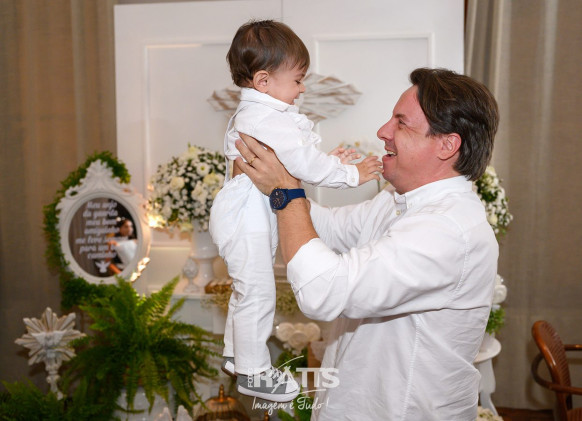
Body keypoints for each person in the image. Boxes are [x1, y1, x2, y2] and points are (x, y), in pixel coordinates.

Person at [234, 67, 500, 420]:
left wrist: (285, 190)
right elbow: (327, 227)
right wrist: (271, 180)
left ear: (447, 145)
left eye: (401, 123)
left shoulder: (448, 229)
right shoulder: (396, 198)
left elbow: (323, 291)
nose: (383, 131)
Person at [208, 20, 380, 403]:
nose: (302, 89)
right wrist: (352, 174)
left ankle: (237, 355)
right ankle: (254, 372)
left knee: (247, 289)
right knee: (257, 292)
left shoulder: (261, 114)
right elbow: (303, 164)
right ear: (264, 80)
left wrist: (327, 161)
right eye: (298, 80)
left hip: (244, 215)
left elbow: (294, 163)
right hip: (245, 218)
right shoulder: (265, 118)